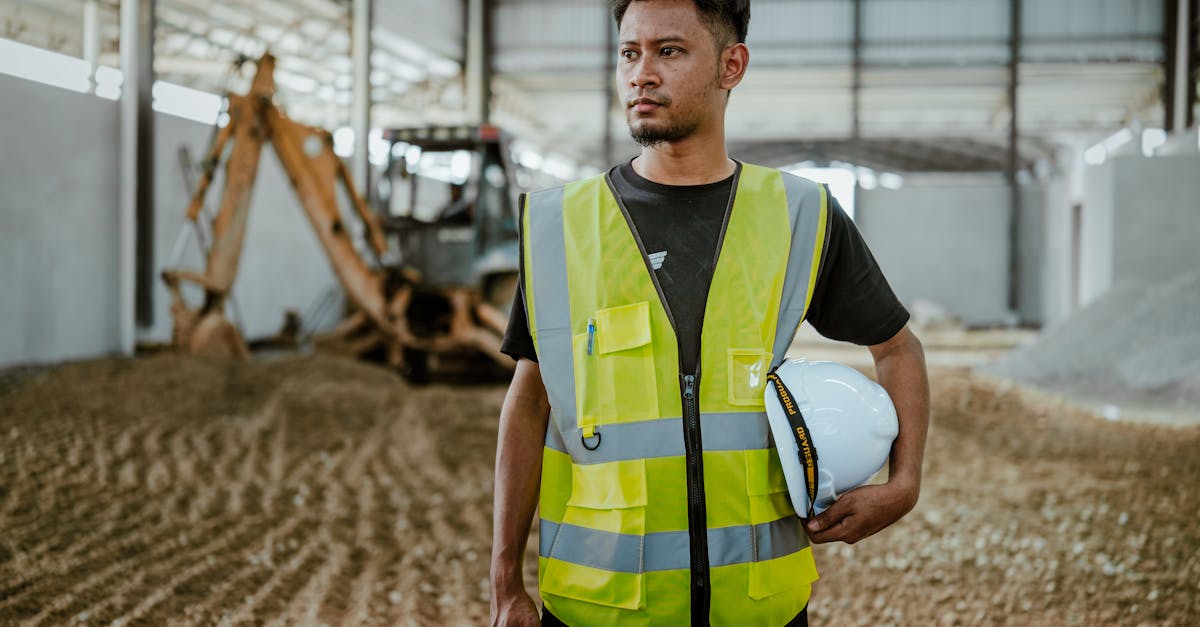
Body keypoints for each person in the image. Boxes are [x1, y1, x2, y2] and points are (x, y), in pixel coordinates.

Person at [489, 1, 930, 625]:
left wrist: (904, 484)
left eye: (668, 51)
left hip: (757, 607)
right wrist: (505, 581)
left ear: (732, 65)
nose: (641, 73)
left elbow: (898, 347)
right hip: (602, 607)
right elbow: (529, 398)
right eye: (629, 53)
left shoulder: (798, 214)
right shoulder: (561, 226)